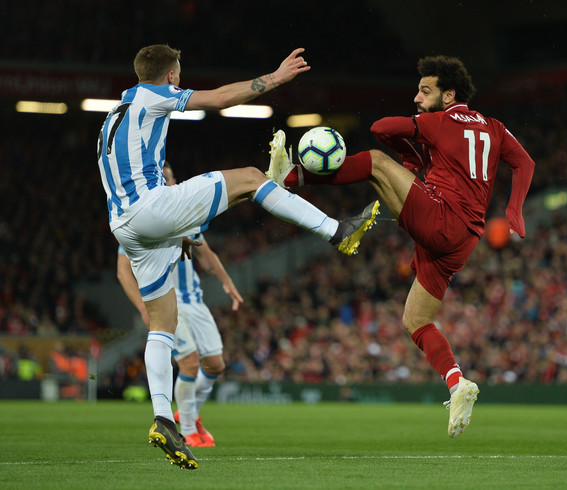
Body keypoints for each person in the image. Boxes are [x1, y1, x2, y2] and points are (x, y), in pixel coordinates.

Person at [96, 44, 378, 469]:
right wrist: (276, 78)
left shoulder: (112, 117)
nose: (179, 79)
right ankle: (336, 231)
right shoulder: (154, 94)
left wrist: (174, 229)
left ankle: (161, 419)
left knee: (161, 326)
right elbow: (220, 99)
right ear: (171, 74)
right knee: (250, 177)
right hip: (150, 207)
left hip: (126, 225)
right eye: (179, 72)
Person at [267, 55, 535, 438]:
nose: (417, 97)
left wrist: (411, 142)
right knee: (416, 321)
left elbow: (380, 127)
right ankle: (458, 383)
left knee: (376, 161)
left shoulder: (439, 121)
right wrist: (514, 210)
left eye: (425, 91)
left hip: (442, 219)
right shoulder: (495, 127)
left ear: (449, 95)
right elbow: (525, 164)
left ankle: (292, 177)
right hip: (463, 239)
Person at [117, 161, 242, 448]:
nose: (166, 183)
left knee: (215, 365)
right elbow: (123, 270)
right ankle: (186, 429)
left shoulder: (187, 213)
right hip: (168, 302)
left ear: (175, 181)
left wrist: (228, 283)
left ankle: (189, 413)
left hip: (194, 301)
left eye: (168, 178)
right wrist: (141, 308)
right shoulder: (142, 215)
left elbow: (206, 255)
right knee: (189, 362)